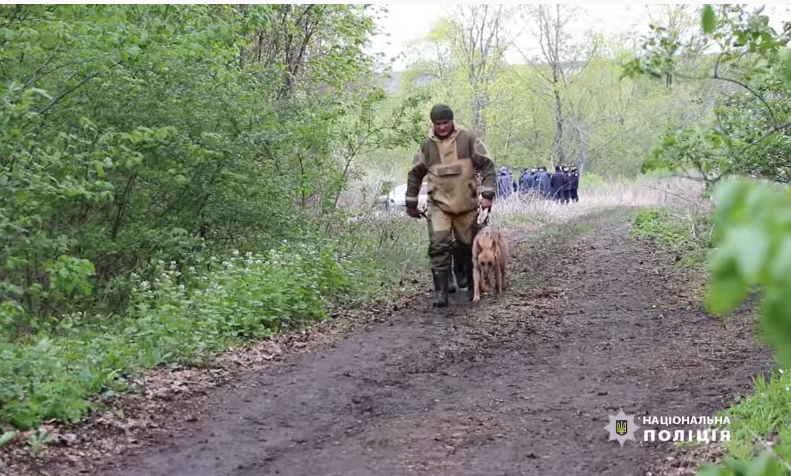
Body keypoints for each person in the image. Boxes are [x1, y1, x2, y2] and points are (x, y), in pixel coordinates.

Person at [405, 104, 496, 307]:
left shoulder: (468, 140)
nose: (443, 127)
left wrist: (487, 194)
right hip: (438, 205)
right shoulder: (426, 146)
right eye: (438, 124)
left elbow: (487, 165)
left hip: (467, 204)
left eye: (446, 122)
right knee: (438, 245)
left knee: (467, 245)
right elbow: (414, 174)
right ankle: (441, 292)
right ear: (433, 124)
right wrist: (411, 203)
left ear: (452, 121)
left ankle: (468, 279)